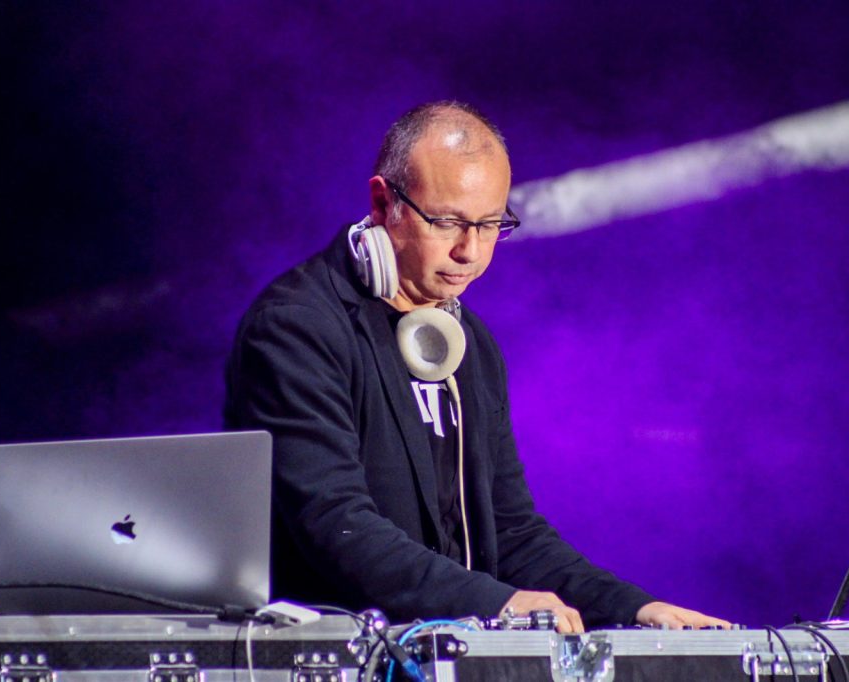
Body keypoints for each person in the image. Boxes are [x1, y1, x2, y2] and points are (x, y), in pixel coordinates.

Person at [224, 101, 728, 633]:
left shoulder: (468, 344)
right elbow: (336, 524)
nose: (470, 251)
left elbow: (511, 533)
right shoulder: (297, 327)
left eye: (490, 225)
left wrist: (634, 609)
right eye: (447, 222)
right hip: (338, 652)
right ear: (383, 202)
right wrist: (498, 603)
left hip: (444, 650)